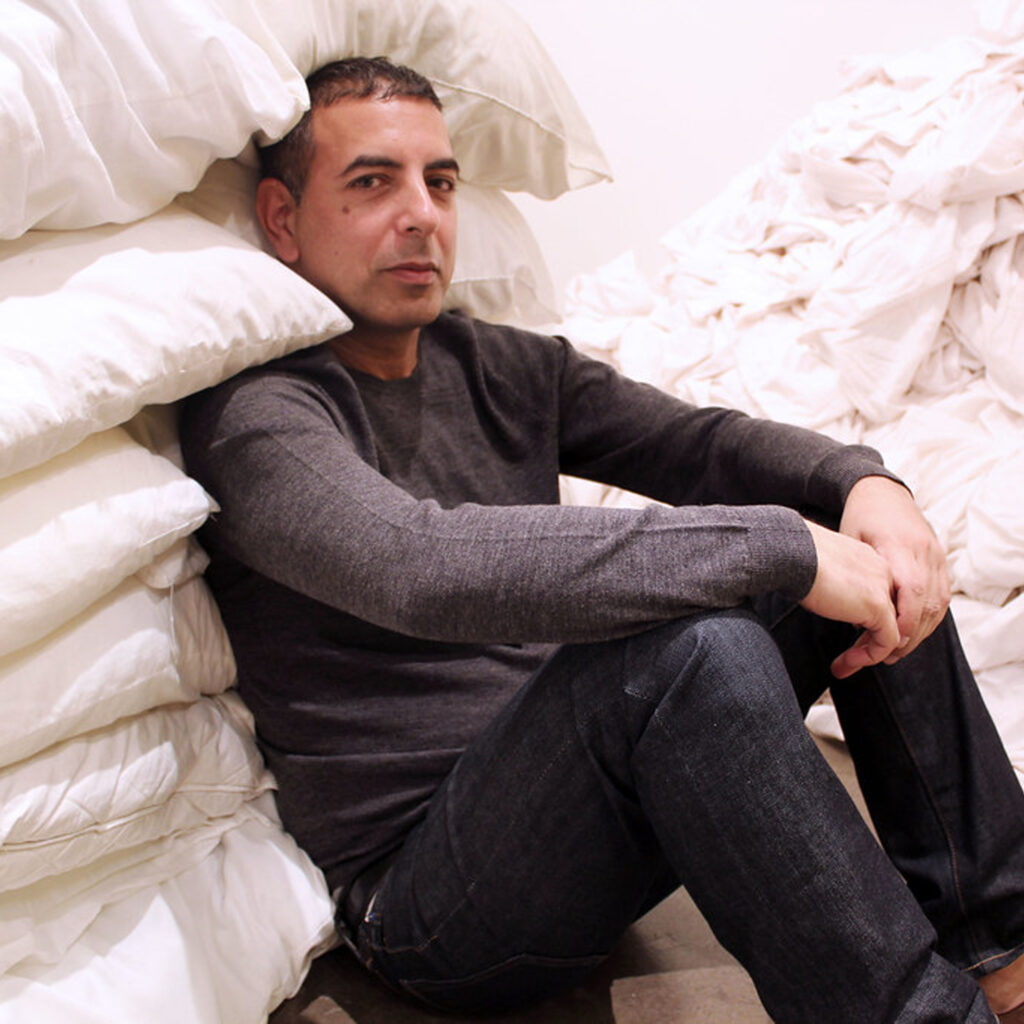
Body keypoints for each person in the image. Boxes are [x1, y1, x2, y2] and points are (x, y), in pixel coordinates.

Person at [179, 57, 1024, 1023]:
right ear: (282, 219)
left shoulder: (494, 363)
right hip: (427, 903)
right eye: (372, 182)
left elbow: (698, 446)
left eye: (440, 183)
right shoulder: (260, 418)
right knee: (692, 651)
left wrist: (862, 483)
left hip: (580, 816)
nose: (421, 215)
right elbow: (419, 567)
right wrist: (783, 548)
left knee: (878, 558)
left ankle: (1003, 953)